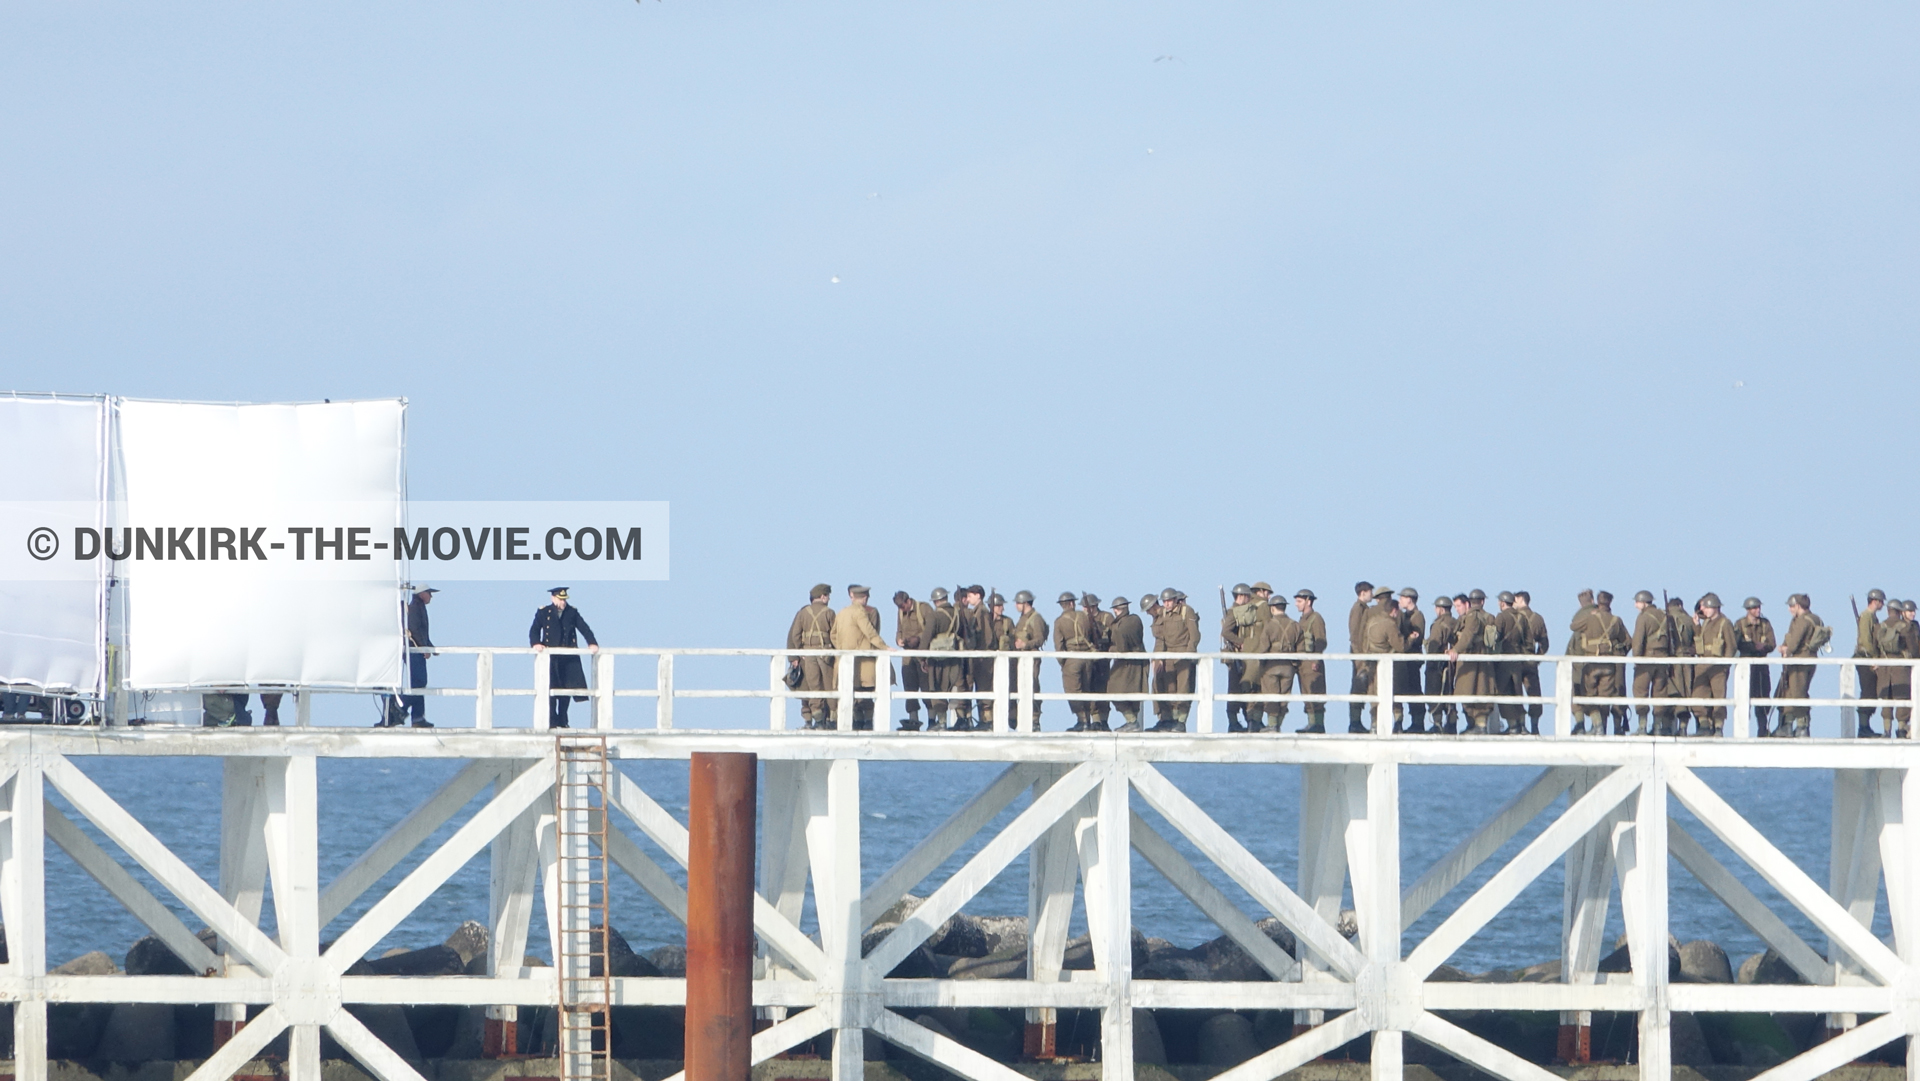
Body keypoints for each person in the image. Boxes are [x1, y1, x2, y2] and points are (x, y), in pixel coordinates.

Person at [530, 587, 599, 729]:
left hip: (568, 658)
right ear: (553, 598)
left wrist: (592, 643)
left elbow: (584, 628)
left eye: (564, 600)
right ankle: (552, 721)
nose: (563, 603)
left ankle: (563, 721)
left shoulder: (572, 612)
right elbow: (534, 630)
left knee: (566, 691)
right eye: (560, 599)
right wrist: (536, 643)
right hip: (551, 658)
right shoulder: (544, 612)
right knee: (551, 690)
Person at [830, 585, 890, 730]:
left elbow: (833, 635)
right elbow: (870, 632)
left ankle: (856, 720)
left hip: (844, 660)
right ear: (864, 598)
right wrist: (884, 647)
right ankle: (868, 721)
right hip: (864, 660)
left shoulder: (842, 612)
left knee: (850, 690)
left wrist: (843, 648)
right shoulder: (860, 613)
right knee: (868, 689)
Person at [1244, 594, 1300, 733]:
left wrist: (1261, 664)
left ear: (1273, 608)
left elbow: (1263, 647)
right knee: (1284, 697)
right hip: (1288, 667)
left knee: (1271, 696)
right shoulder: (1295, 625)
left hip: (1271, 666)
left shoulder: (1269, 625)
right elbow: (1301, 648)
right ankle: (1278, 725)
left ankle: (1272, 725)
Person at [786, 585, 837, 728]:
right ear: (823, 596)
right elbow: (835, 635)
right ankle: (831, 720)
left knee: (813, 687)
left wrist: (798, 653)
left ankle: (817, 720)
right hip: (826, 655)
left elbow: (794, 635)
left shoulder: (803, 613)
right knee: (829, 686)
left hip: (807, 655)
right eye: (827, 596)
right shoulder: (830, 613)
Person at [1448, 589, 1497, 735]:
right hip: (1483, 659)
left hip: (1471, 658)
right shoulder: (1489, 617)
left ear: (1469, 602)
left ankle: (1478, 726)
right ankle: (1476, 725)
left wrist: (1455, 650)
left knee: (1468, 689)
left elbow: (1467, 636)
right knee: (1480, 690)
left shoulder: (1472, 617)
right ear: (1483, 601)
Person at [1777, 593, 1825, 739]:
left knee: (1797, 693)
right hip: (1809, 659)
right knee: (1794, 691)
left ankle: (1801, 727)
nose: (1790, 609)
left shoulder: (1802, 621)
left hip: (1799, 661)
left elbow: (1793, 642)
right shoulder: (1815, 619)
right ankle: (1791, 726)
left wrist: (1786, 649)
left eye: (1792, 606)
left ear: (1798, 606)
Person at [389, 584, 437, 728]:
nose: (431, 596)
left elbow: (421, 632)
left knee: (418, 684)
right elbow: (414, 629)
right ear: (422, 593)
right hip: (413, 649)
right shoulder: (416, 608)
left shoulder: (419, 607)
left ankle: (418, 718)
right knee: (419, 683)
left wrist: (431, 647)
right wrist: (423, 647)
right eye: (429, 593)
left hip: (416, 649)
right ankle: (399, 707)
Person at [1629, 590, 1676, 736]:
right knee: (1659, 693)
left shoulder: (1643, 617)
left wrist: (1636, 659)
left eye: (1637, 602)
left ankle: (1642, 726)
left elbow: (1637, 641)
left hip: (1646, 660)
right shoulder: (1665, 615)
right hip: (1663, 659)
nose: (1636, 605)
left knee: (1640, 691)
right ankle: (1657, 727)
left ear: (1643, 602)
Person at [1054, 591, 1101, 731]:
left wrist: (1063, 663)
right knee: (1086, 688)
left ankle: (1082, 721)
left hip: (1072, 659)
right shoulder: (1084, 617)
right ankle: (1088, 719)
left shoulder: (1059, 622)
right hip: (1087, 658)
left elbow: (1059, 646)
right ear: (1072, 603)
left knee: (1072, 690)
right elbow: (1094, 635)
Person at [1358, 590, 1402, 733]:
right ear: (1394, 610)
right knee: (1394, 691)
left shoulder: (1371, 619)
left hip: (1370, 661)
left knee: (1373, 693)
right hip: (1387, 663)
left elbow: (1360, 638)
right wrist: (1412, 639)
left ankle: (1374, 724)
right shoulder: (1390, 624)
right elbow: (1400, 646)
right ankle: (1397, 724)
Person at [1692, 594, 1735, 737]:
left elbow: (1731, 646)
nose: (1702, 609)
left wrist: (1725, 665)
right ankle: (1704, 724)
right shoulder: (1705, 623)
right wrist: (1697, 626)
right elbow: (1701, 641)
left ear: (1714, 607)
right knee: (1699, 694)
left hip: (1718, 666)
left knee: (1719, 696)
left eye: (1705, 606)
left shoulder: (1725, 623)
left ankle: (1718, 727)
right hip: (1703, 663)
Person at [893, 590, 937, 731]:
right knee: (909, 690)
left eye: (902, 606)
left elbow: (932, 629)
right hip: (907, 657)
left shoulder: (923, 609)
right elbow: (899, 630)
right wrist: (899, 640)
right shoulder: (900, 612)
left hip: (923, 655)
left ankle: (932, 720)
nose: (901, 609)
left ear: (908, 601)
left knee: (927, 688)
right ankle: (913, 721)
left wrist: (918, 639)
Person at [923, 587, 964, 731]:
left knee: (937, 689)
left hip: (937, 660)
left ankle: (942, 722)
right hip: (953, 657)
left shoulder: (934, 616)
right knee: (952, 687)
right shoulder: (957, 614)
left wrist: (921, 658)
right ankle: (961, 719)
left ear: (935, 601)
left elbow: (926, 637)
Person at [1106, 596, 1149, 731]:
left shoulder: (1126, 623)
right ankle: (1132, 722)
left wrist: (1109, 648)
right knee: (1129, 692)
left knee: (1113, 689)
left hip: (1129, 663)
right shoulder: (1130, 620)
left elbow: (1121, 647)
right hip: (1130, 662)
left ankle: (1132, 721)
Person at [1735, 597, 1777, 736]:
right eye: (1754, 608)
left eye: (1758, 607)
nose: (1758, 610)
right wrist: (1753, 646)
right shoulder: (1740, 624)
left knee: (1763, 696)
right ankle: (1742, 729)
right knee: (1744, 697)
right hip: (1745, 667)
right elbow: (1736, 643)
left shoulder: (1765, 624)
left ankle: (1763, 729)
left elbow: (1772, 643)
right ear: (1748, 610)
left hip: (1761, 666)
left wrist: (1763, 647)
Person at [1221, 584, 1260, 732]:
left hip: (1240, 657)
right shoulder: (1233, 612)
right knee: (1235, 689)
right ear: (1242, 596)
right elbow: (1226, 632)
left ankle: (1244, 721)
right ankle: (1233, 722)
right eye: (1248, 596)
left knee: (1243, 687)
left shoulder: (1239, 611)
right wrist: (1241, 642)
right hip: (1235, 656)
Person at [1010, 591, 1049, 726]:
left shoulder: (1036, 618)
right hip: (1020, 658)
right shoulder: (1023, 618)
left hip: (1031, 657)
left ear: (1025, 603)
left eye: (1018, 603)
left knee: (1032, 685)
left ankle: (1035, 718)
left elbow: (1040, 639)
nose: (1016, 605)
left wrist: (1026, 644)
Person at [1882, 600, 1918, 738]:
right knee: (1903, 696)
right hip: (1903, 666)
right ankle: (1902, 730)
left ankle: (1887, 730)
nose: (1913, 613)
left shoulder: (1883, 625)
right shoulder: (1907, 627)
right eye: (1910, 611)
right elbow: (1914, 648)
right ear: (1902, 612)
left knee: (1888, 697)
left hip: (1886, 666)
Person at [1295, 589, 1329, 733]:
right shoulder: (1302, 620)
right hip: (1302, 663)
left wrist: (1316, 659)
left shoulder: (1316, 618)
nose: (1296, 604)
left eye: (1299, 601)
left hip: (1312, 663)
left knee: (1316, 692)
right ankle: (1311, 723)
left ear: (1308, 601)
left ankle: (1318, 724)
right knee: (1306, 693)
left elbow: (1321, 641)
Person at [1854, 589, 1887, 736]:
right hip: (1865, 658)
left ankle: (1865, 726)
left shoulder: (1872, 617)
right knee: (1868, 692)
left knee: (1871, 692)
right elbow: (1866, 640)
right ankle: (1863, 727)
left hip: (1868, 657)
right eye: (1881, 601)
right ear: (1875, 601)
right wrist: (1874, 657)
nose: (1882, 604)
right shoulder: (1867, 616)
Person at [1394, 589, 1427, 734]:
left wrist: (1408, 636)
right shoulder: (1405, 615)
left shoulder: (1417, 616)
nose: (1400, 600)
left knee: (1414, 689)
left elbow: (1417, 637)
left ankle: (1418, 722)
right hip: (1405, 659)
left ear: (1410, 599)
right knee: (1403, 689)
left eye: (1402, 598)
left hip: (1412, 658)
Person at [1493, 592, 1526, 735]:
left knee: (1502, 692)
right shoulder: (1522, 618)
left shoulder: (1501, 617)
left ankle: (1513, 725)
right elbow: (1529, 642)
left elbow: (1495, 638)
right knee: (1517, 693)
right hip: (1518, 660)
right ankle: (1522, 725)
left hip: (1504, 660)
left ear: (1502, 603)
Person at [1515, 591, 1547, 734]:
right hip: (1530, 662)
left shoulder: (1513, 617)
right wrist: (1536, 658)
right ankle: (1535, 726)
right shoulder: (1537, 618)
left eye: (1515, 600)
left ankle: (1520, 725)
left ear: (1521, 600)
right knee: (1534, 693)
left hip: (1515, 662)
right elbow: (1545, 643)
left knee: (1516, 693)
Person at [1425, 594, 1458, 734]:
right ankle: (1452, 723)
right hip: (1452, 666)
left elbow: (1433, 646)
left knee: (1434, 693)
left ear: (1441, 609)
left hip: (1437, 666)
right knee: (1450, 693)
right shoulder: (1456, 622)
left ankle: (1437, 724)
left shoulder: (1439, 625)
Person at [1666, 595, 1698, 735]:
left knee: (1673, 692)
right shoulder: (1689, 620)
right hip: (1688, 661)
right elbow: (1698, 640)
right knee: (1687, 692)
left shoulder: (1665, 617)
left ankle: (1667, 727)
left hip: (1672, 661)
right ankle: (1683, 726)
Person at [1084, 593, 1115, 730]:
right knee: (1090, 688)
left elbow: (1115, 635)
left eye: (1087, 607)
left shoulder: (1107, 617)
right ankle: (1094, 719)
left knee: (1103, 688)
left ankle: (1103, 720)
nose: (1085, 609)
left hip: (1103, 657)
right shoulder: (1082, 620)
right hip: (1089, 658)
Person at [1347, 582, 1374, 731]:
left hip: (1364, 654)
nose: (1372, 594)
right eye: (1370, 591)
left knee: (1365, 686)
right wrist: (1360, 658)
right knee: (1358, 685)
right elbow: (1355, 634)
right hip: (1360, 655)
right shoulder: (1358, 609)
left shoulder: (1365, 609)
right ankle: (1354, 722)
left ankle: (1358, 722)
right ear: (1363, 593)